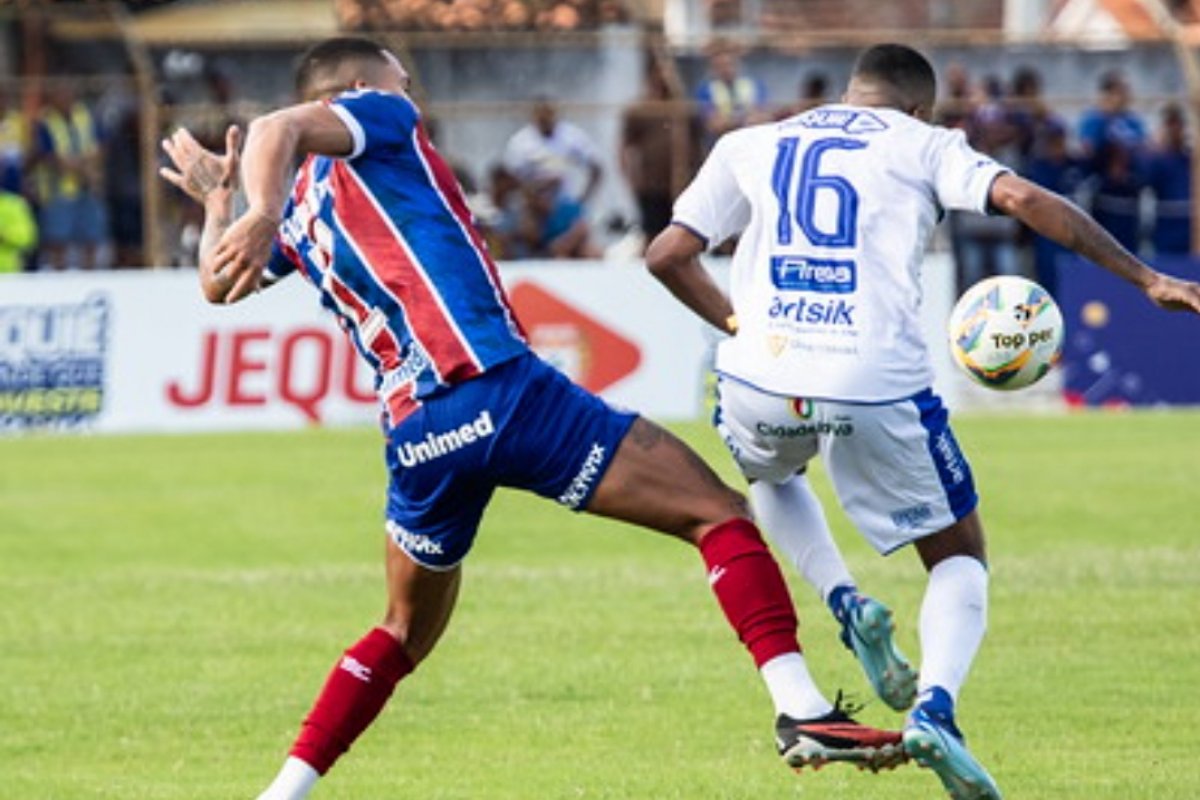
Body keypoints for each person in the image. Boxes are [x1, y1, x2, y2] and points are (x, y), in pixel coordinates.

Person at [158, 36, 904, 800]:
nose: (412, 94)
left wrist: (224, 207)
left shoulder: (308, 205)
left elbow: (218, 287)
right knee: (718, 514)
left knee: (401, 632)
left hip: (419, 436)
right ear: (354, 90)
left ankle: (281, 794)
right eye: (400, 79)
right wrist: (254, 205)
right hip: (497, 387)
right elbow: (280, 127)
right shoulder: (378, 119)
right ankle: (802, 709)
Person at [645, 43, 1200, 800]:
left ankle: (845, 602)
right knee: (958, 556)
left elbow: (667, 255)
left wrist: (741, 325)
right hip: (872, 376)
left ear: (849, 89)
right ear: (917, 106)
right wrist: (1147, 277)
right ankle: (936, 710)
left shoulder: (750, 141)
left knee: (767, 474)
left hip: (758, 374)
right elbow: (1026, 201)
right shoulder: (924, 143)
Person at [29, 83, 109, 270]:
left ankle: (89, 272)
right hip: (59, 189)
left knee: (92, 236)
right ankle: (60, 274)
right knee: (58, 238)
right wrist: (80, 167)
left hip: (88, 187)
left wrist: (87, 166)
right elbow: (47, 153)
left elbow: (102, 144)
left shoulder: (86, 116)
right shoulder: (46, 121)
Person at [502, 96, 603, 209]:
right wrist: (540, 187)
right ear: (533, 116)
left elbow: (596, 168)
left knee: (580, 224)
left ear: (555, 114)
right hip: (531, 208)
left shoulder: (571, 136)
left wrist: (582, 201)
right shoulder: (519, 142)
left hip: (563, 205)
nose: (545, 118)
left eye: (549, 114)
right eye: (541, 115)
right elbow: (508, 180)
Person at [1144, 103, 1192, 258]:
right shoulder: (1158, 160)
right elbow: (1144, 181)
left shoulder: (1191, 159)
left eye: (1177, 124)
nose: (1174, 129)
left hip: (1192, 229)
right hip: (1167, 231)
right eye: (1170, 124)